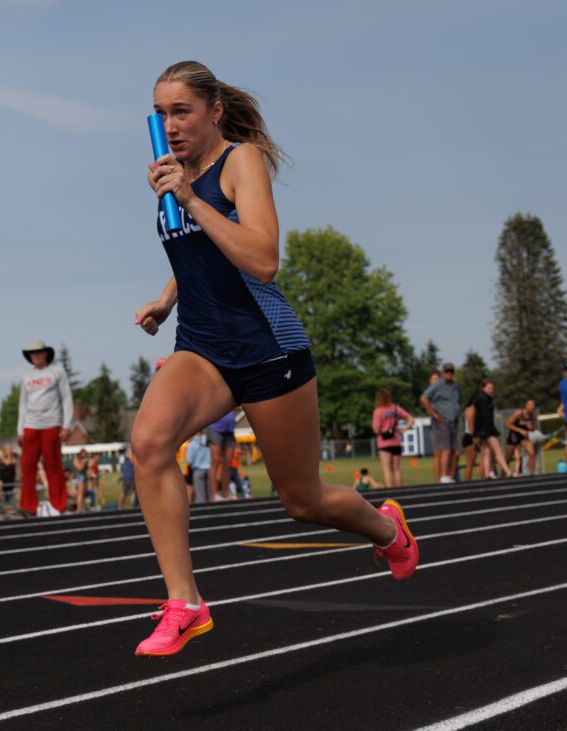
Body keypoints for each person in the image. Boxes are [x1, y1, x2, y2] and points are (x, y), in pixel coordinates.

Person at [130, 60, 418, 656]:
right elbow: (195, 254)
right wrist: (164, 300)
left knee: (301, 499)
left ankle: (388, 528)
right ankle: (185, 603)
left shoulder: (241, 161)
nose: (169, 124)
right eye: (159, 113)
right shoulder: (169, 172)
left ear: (213, 111)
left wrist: (189, 197)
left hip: (267, 346)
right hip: (203, 346)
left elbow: (261, 259)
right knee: (149, 444)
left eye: (180, 111)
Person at [17, 340, 73, 517]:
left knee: (53, 465)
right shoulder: (27, 376)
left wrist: (67, 425)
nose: (36, 356)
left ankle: (59, 505)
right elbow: (22, 404)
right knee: (27, 467)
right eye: (33, 353)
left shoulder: (57, 371)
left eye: (39, 352)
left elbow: (66, 398)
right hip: (30, 425)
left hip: (51, 424)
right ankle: (28, 507)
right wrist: (20, 430)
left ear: (46, 354)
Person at [421, 363, 462, 484]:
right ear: (443, 373)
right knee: (445, 450)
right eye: (447, 371)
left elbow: (459, 400)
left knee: (456, 451)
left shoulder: (455, 386)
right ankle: (443, 476)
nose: (449, 373)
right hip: (442, 421)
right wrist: (433, 413)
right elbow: (424, 398)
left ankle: (451, 475)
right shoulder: (438, 385)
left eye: (451, 371)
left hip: (453, 421)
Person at [372, 388, 414, 488]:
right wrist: (404, 429)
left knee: (387, 469)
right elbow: (411, 418)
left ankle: (390, 491)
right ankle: (400, 490)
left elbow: (376, 430)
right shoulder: (395, 408)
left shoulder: (378, 411)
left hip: (384, 442)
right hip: (396, 441)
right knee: (397, 469)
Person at [472, 380, 513, 478]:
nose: (491, 390)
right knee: (498, 451)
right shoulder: (484, 399)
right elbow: (485, 417)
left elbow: (478, 417)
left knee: (487, 452)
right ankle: (508, 472)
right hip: (486, 430)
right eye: (489, 388)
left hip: (482, 430)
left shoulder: (482, 399)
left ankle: (487, 474)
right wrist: (493, 431)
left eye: (492, 388)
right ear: (483, 388)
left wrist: (476, 433)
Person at [205, 410, 237, 501]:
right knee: (216, 461)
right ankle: (214, 494)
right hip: (214, 427)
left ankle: (225, 494)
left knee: (228, 463)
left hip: (229, 429)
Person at [505, 399, 539, 476]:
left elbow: (533, 427)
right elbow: (507, 424)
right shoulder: (518, 413)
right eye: (530, 405)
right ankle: (502, 476)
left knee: (531, 453)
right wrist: (520, 430)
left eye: (533, 405)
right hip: (514, 436)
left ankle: (532, 475)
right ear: (525, 406)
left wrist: (532, 427)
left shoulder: (533, 415)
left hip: (523, 437)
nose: (532, 407)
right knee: (508, 458)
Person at [184, 433, 212, 504]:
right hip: (209, 469)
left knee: (200, 497)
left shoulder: (192, 444)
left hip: (197, 470)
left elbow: (189, 460)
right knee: (209, 495)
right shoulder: (209, 442)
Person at [461, 395, 480, 481]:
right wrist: (474, 439)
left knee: (472, 463)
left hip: (471, 437)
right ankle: (467, 482)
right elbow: (471, 426)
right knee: (470, 463)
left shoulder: (473, 410)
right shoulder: (471, 410)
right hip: (470, 437)